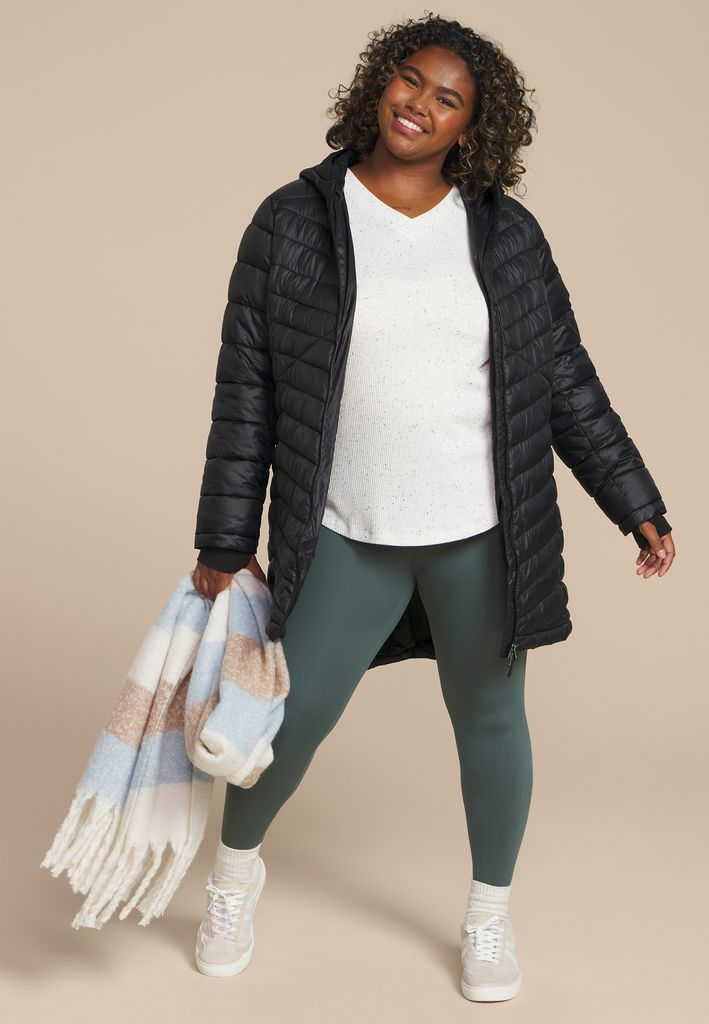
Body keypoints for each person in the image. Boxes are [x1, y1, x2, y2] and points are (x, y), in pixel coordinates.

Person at [189, 13, 674, 1001]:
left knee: (491, 721)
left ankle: (488, 916)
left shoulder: (504, 232)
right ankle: (232, 880)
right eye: (409, 79)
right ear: (379, 82)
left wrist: (633, 498)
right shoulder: (293, 221)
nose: (419, 103)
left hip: (483, 534)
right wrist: (224, 539)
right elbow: (247, 392)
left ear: (471, 127)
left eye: (447, 98)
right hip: (346, 527)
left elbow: (562, 376)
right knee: (288, 719)